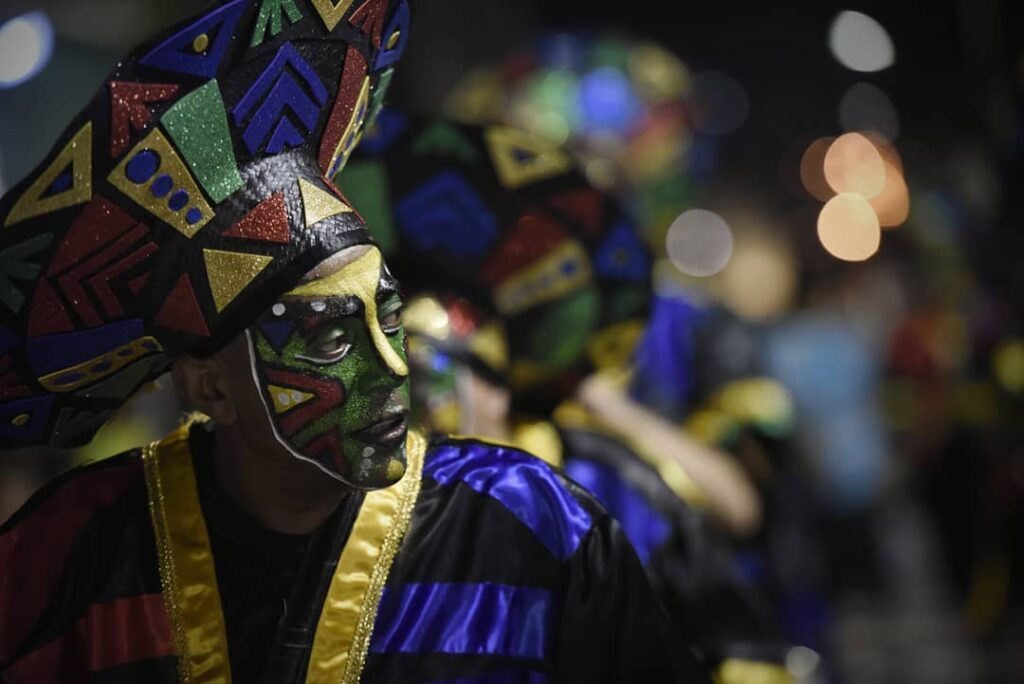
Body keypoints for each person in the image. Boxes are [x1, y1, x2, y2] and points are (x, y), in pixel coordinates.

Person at [0, 3, 697, 682]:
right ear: (208, 385)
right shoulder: (70, 552)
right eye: (332, 338)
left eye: (388, 318)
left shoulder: (537, 525)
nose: (394, 366)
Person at [341, 113, 796, 683]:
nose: (428, 398)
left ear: (501, 381)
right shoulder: (354, 493)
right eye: (407, 367)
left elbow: (738, 548)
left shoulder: (599, 480)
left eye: (449, 370)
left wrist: (601, 403)